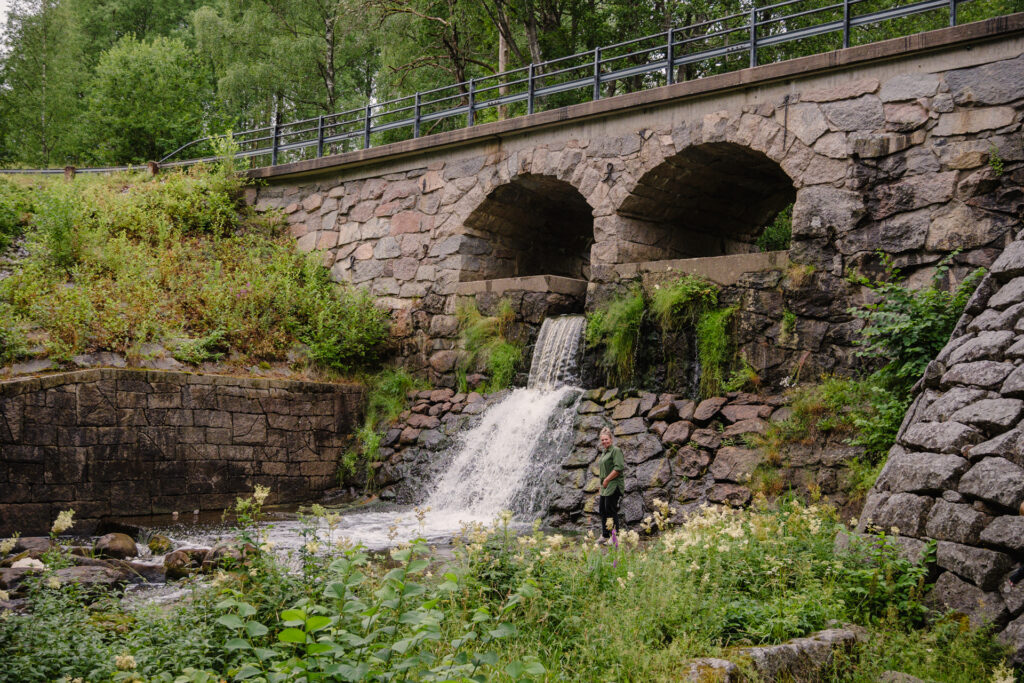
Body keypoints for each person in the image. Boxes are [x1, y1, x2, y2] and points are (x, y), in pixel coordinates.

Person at [597, 426, 625, 544]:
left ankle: (615, 537)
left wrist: (607, 480)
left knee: (611, 509)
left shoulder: (616, 451)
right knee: (602, 509)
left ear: (611, 439)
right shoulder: (604, 452)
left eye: (606, 439)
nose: (604, 442)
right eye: (602, 440)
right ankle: (605, 535)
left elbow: (618, 468)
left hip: (614, 484)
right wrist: (603, 482)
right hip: (605, 486)